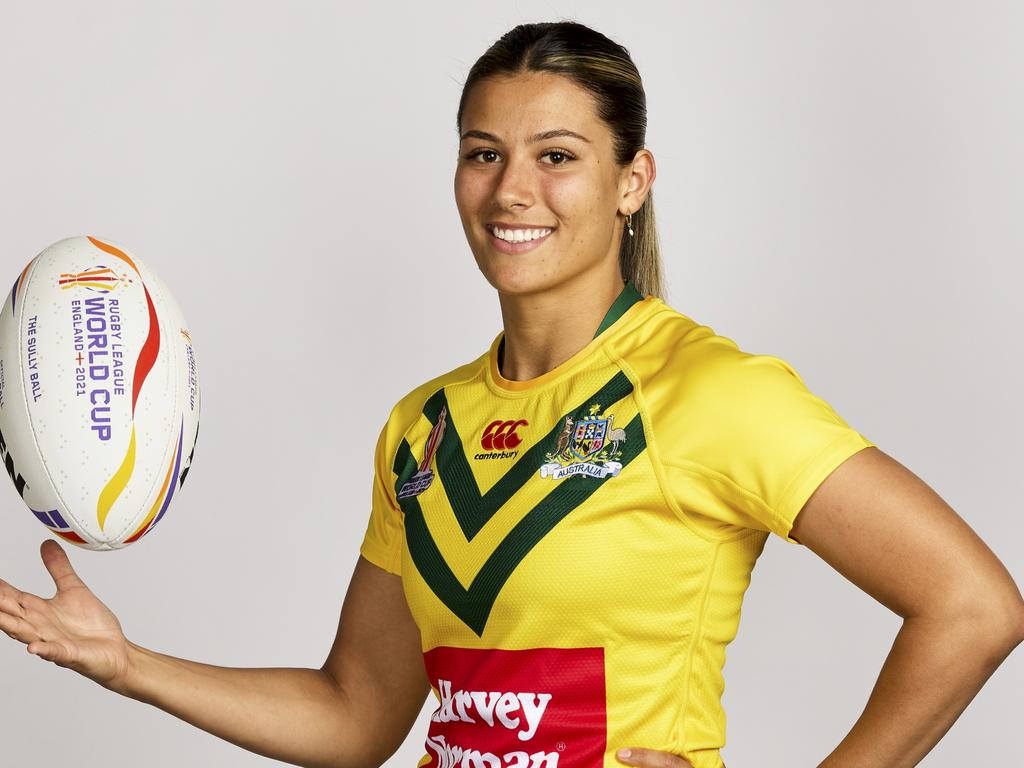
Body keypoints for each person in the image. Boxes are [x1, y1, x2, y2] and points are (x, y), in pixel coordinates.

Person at [1, 19, 1022, 768]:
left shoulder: (708, 392)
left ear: (633, 181)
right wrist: (125, 664)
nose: (511, 190)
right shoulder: (422, 429)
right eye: (482, 154)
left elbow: (973, 607)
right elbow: (358, 714)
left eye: (557, 157)